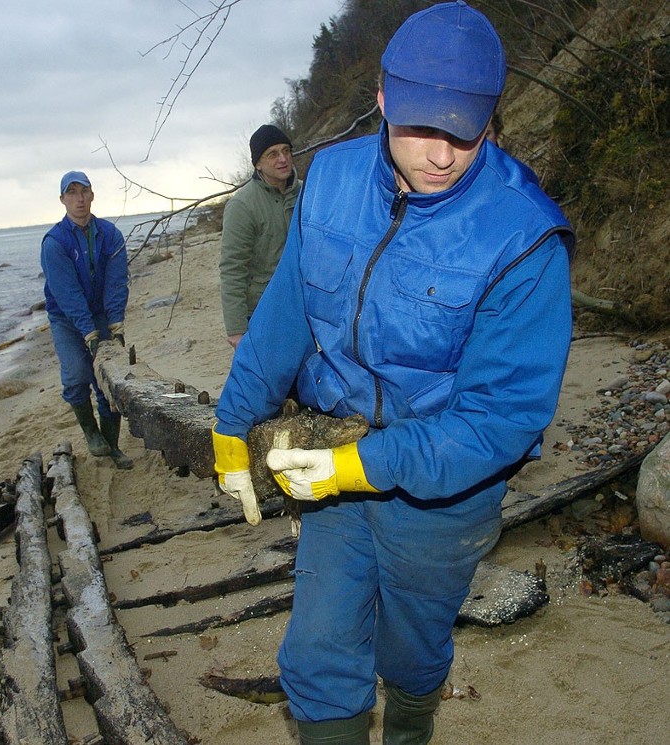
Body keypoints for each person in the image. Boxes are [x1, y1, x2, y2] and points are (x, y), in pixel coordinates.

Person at [211, 2, 574, 743]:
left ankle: (412, 723)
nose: (442, 155)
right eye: (422, 128)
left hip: (442, 495)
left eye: (463, 132)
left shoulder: (524, 238)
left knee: (410, 653)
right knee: (317, 654)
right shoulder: (332, 181)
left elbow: (499, 421)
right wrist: (229, 421)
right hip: (330, 448)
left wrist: (361, 464)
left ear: (491, 115)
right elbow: (285, 316)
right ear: (382, 97)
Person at [41, 170, 133, 470]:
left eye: (84, 191)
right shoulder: (54, 242)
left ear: (92, 195)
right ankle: (92, 434)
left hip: (103, 314)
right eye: (72, 193)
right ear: (62, 199)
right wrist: (88, 334)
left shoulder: (110, 235)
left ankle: (113, 445)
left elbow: (117, 283)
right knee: (77, 375)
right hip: (66, 318)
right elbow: (66, 293)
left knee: (109, 378)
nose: (79, 199)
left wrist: (114, 326)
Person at [219, 124, 302, 349]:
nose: (282, 159)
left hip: (302, 307)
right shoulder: (242, 206)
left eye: (286, 151)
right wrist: (236, 329)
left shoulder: (307, 194)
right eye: (272, 154)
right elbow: (232, 269)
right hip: (261, 312)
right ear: (257, 164)